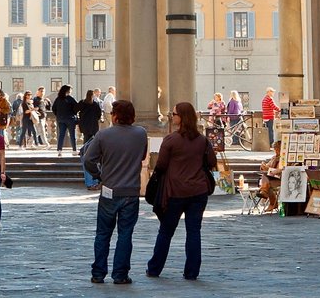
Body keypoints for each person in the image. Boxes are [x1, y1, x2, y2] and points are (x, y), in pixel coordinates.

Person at [146, 101, 217, 281]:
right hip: (198, 191)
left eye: (174, 114)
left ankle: (154, 268)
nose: (172, 116)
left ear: (181, 117)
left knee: (166, 232)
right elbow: (211, 162)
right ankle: (192, 272)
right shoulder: (202, 140)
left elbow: (160, 165)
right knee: (193, 232)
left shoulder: (171, 140)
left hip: (174, 191)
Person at [83, 99, 149, 285]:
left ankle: (98, 273)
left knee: (103, 233)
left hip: (109, 189)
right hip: (131, 190)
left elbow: (88, 159)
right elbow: (143, 156)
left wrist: (99, 175)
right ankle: (120, 274)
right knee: (125, 234)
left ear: (115, 115)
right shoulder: (141, 133)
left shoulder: (104, 135)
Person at [53, 85, 80, 152]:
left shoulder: (58, 99)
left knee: (61, 135)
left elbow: (54, 108)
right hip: (70, 118)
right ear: (68, 91)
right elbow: (77, 107)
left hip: (61, 119)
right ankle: (74, 150)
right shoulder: (70, 98)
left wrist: (58, 115)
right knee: (72, 135)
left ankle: (59, 150)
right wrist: (74, 113)